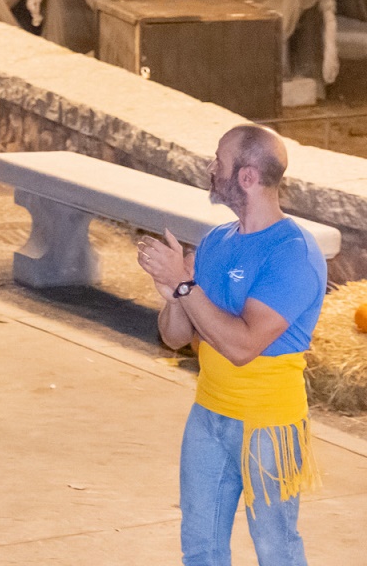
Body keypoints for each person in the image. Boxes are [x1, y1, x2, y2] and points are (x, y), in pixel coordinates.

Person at [137, 125, 327, 566]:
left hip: (267, 427)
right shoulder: (216, 242)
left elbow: (243, 347)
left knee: (276, 551)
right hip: (208, 416)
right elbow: (177, 336)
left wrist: (186, 285)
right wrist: (173, 295)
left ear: (246, 177)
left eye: (218, 161)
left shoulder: (293, 253)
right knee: (200, 547)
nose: (210, 168)